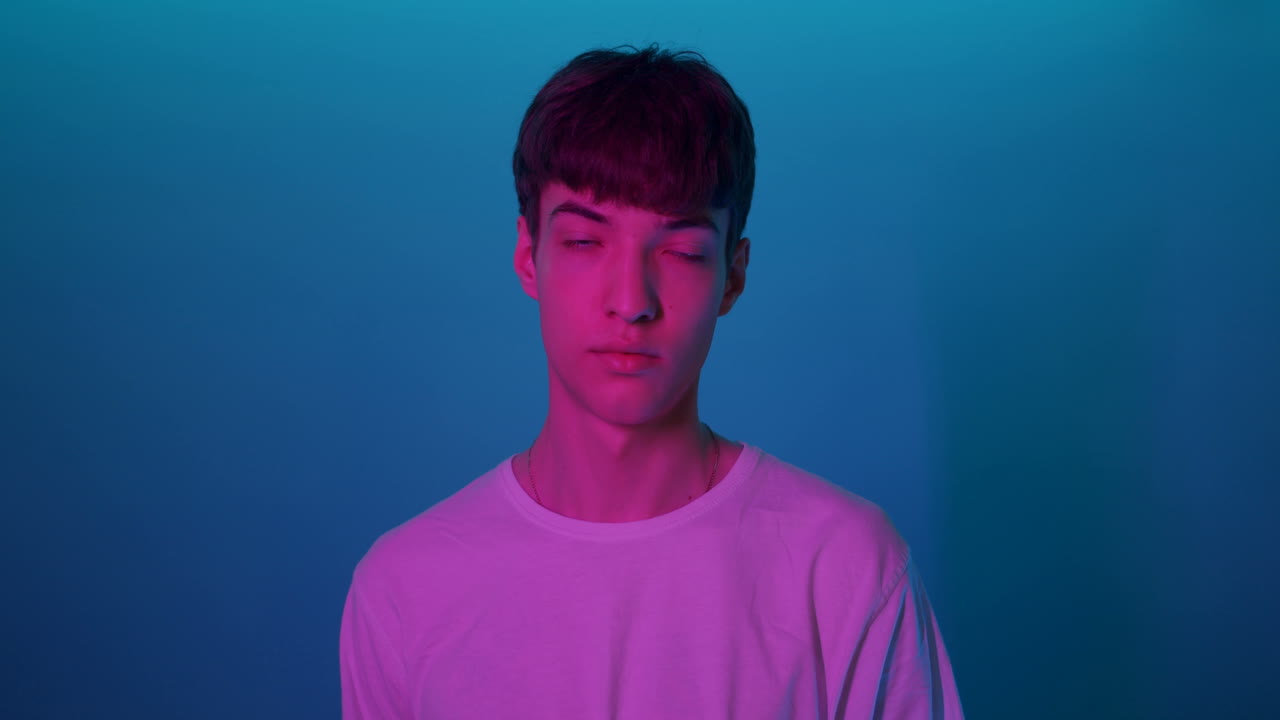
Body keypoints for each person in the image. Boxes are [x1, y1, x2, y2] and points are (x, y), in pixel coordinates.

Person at [340, 44, 964, 719]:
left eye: (679, 251)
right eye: (585, 242)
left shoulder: (846, 567)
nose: (631, 300)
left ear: (733, 273)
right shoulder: (406, 588)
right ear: (529, 256)